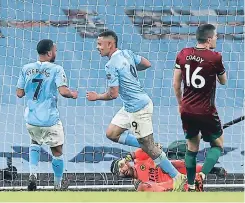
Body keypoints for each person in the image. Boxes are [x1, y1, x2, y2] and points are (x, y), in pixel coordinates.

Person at [86, 30, 186, 191]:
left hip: (138, 109)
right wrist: (129, 70)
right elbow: (146, 63)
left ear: (110, 44)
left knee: (150, 149)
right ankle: (149, 144)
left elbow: (113, 94)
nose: (97, 47)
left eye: (99, 44)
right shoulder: (126, 53)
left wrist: (96, 96)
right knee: (112, 133)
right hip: (129, 106)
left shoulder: (110, 65)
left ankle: (177, 177)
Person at [16, 39, 78, 191]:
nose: (56, 53)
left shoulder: (26, 68)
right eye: (55, 51)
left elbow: (19, 93)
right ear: (49, 53)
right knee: (57, 152)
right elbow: (63, 91)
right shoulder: (57, 69)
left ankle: (33, 175)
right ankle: (57, 185)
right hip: (50, 119)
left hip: (31, 118)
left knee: (34, 142)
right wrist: (73, 94)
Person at [173, 24, 227, 191]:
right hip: (206, 111)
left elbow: (176, 84)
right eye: (216, 37)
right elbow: (223, 81)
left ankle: (190, 186)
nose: (217, 39)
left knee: (192, 148)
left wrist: (180, 103)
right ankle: (201, 175)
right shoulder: (215, 57)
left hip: (187, 109)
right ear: (209, 39)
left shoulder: (183, 54)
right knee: (218, 145)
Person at [111, 146, 226, 192]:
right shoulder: (139, 185)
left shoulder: (139, 160)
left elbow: (148, 147)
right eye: (118, 172)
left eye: (120, 166)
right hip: (174, 185)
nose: (121, 171)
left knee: (179, 165)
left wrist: (129, 156)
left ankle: (212, 170)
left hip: (175, 170)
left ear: (125, 162)